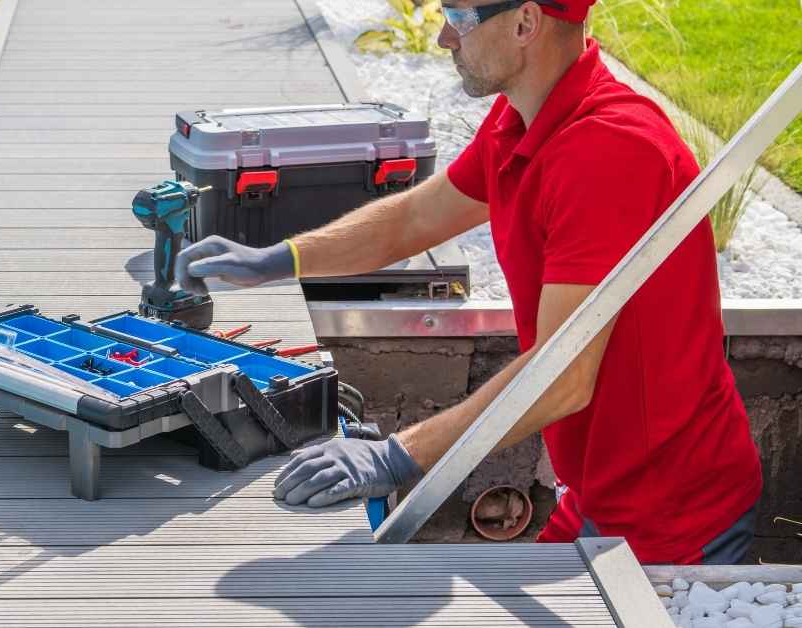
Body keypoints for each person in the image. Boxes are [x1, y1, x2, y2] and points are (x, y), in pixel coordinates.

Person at [173, 0, 762, 565]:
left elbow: (563, 378)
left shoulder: (609, 153)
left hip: (674, 514)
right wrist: (277, 258)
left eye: (456, 17)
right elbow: (413, 218)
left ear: (526, 22)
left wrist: (397, 455)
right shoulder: (525, 116)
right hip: (596, 492)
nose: (443, 39)